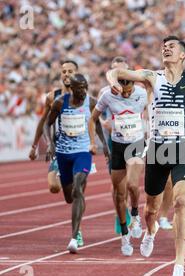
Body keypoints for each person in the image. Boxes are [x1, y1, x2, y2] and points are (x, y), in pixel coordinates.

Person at [106, 35, 185, 276]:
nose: (166, 49)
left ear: (183, 54)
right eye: (164, 46)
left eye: (171, 47)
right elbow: (116, 71)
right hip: (157, 149)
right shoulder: (153, 77)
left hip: (182, 147)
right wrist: (115, 85)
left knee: (182, 200)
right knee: (151, 209)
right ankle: (150, 232)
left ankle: (179, 264)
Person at [46, 74, 108, 253]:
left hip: (83, 151)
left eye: (85, 87)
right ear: (72, 88)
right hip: (63, 154)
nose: (83, 91)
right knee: (69, 197)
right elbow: (47, 124)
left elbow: (95, 123)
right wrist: (50, 143)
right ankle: (77, 214)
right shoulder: (60, 102)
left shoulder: (91, 102)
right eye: (79, 88)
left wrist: (103, 145)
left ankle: (74, 236)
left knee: (78, 188)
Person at [89, 71, 148, 256]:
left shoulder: (142, 93)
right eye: (123, 90)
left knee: (132, 184)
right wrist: (94, 140)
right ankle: (124, 234)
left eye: (129, 89)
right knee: (119, 194)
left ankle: (136, 214)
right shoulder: (107, 94)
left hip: (137, 144)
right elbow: (92, 118)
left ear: (134, 84)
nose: (126, 93)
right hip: (118, 146)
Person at [29, 60, 78, 193]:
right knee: (54, 187)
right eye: (64, 72)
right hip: (59, 148)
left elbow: (91, 121)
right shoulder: (52, 97)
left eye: (70, 71)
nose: (66, 74)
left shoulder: (83, 97)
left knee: (73, 194)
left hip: (78, 149)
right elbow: (44, 121)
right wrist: (35, 146)